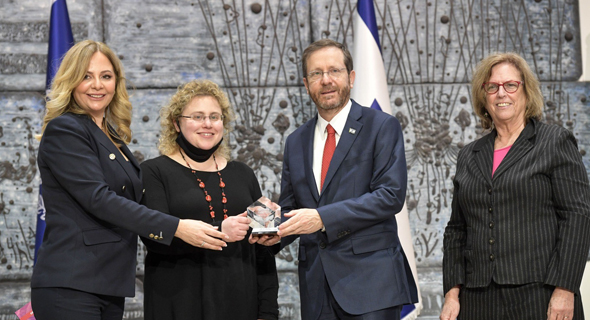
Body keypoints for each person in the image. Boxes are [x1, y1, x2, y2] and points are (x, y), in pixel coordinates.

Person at [30, 40, 229, 320]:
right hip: (71, 285)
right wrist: (177, 227)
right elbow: (99, 199)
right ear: (71, 81)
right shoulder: (66, 129)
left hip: (108, 283)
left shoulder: (111, 136)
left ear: (116, 83)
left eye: (106, 76)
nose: (97, 85)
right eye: (86, 76)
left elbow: (136, 199)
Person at [252, 39, 418, 320]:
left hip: (371, 283)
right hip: (316, 286)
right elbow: (293, 207)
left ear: (351, 78)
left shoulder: (381, 126)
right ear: (306, 84)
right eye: (316, 74)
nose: (326, 80)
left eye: (334, 71)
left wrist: (321, 218)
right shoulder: (296, 141)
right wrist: (270, 232)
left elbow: (389, 196)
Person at [440, 52, 590, 320]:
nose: (501, 93)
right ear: (483, 96)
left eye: (511, 85)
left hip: (540, 295)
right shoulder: (468, 155)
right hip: (477, 300)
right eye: (492, 87)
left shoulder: (554, 141)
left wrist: (565, 288)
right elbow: (456, 230)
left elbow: (577, 217)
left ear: (526, 92)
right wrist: (452, 293)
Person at [139, 79, 279, 320]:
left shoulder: (243, 173)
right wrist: (220, 231)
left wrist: (271, 230)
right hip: (178, 307)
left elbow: (264, 254)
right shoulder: (153, 172)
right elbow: (155, 239)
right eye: (197, 116)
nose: (207, 124)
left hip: (240, 307)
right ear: (176, 123)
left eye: (215, 117)